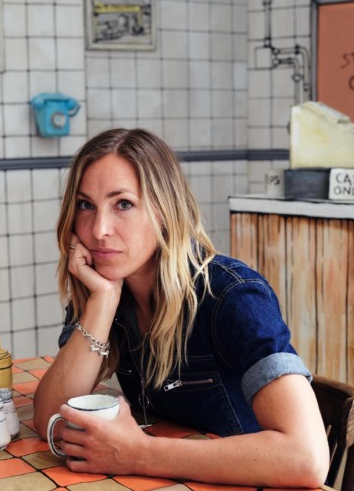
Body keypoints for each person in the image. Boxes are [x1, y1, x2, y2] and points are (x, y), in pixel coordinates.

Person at [33, 128, 328, 487]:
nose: (99, 230)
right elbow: (50, 416)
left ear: (163, 211)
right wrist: (103, 301)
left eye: (123, 204)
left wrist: (137, 453)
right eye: (86, 205)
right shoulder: (106, 289)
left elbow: (307, 457)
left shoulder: (231, 296)